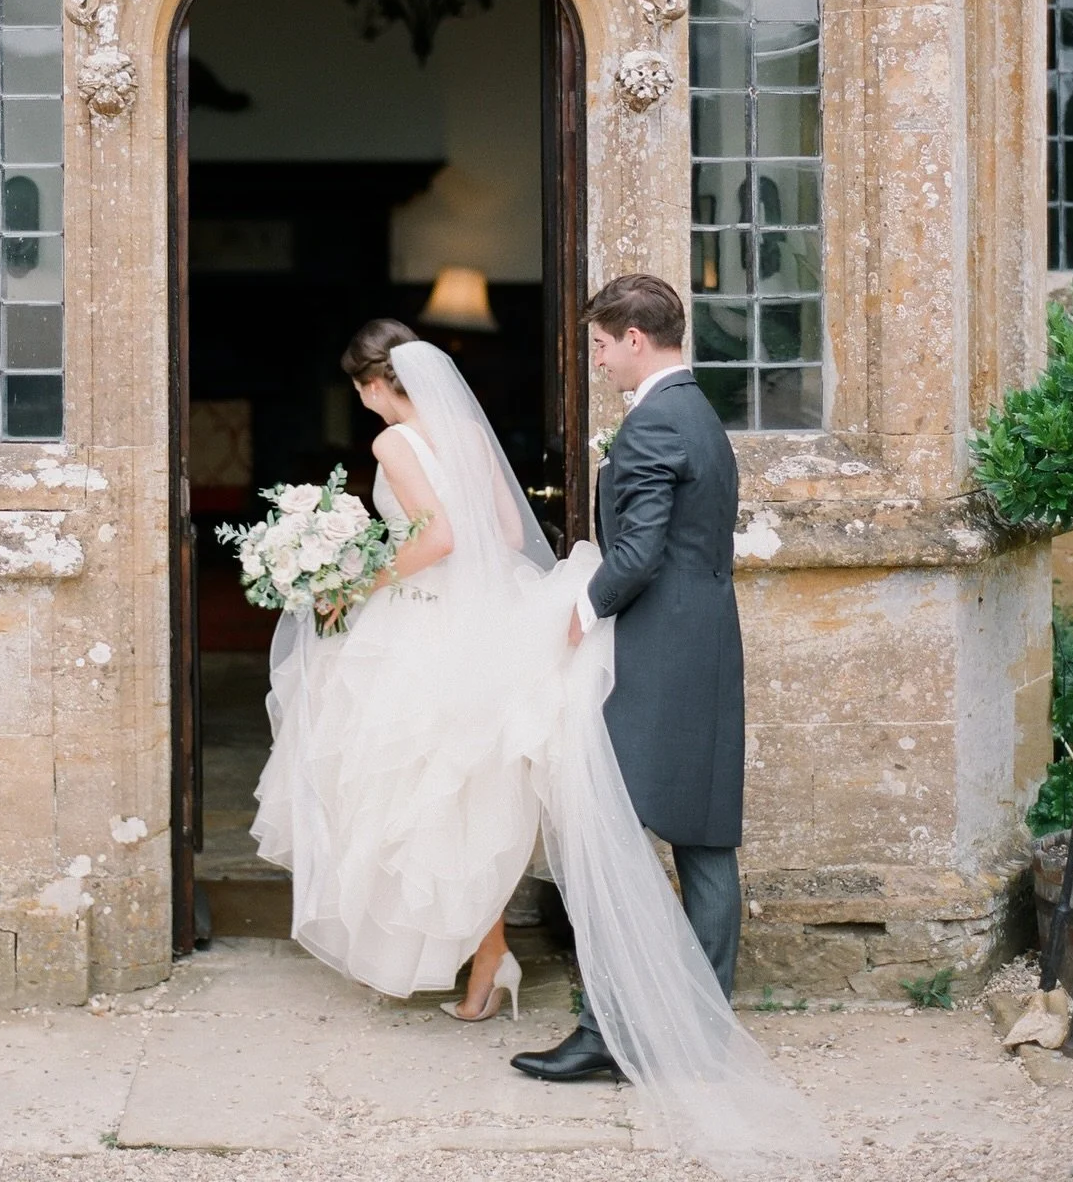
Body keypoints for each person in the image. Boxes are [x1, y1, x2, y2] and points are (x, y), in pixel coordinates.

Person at [252, 302, 829, 1172]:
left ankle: (569, 1005)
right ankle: (528, 977)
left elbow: (448, 539)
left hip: (444, 625)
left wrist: (355, 575)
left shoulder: (396, 445)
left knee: (445, 793)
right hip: (534, 620)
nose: (595, 358)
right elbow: (500, 527)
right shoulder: (670, 420)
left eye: (600, 345)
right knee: (494, 792)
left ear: (377, 384)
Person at [512, 271, 745, 1083]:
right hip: (707, 644)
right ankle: (702, 1035)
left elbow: (639, 554)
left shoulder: (652, 429)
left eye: (603, 346)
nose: (601, 362)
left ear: (636, 340)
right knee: (707, 841)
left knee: (605, 836)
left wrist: (589, 606)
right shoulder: (702, 417)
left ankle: (605, 1035)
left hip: (653, 655)